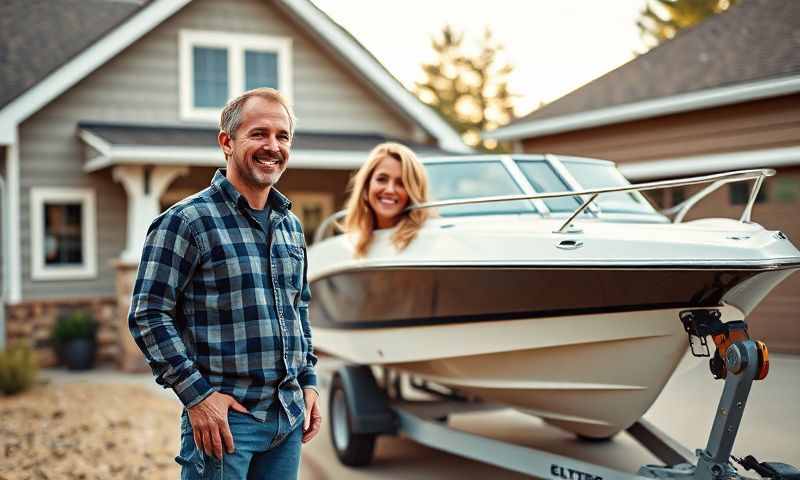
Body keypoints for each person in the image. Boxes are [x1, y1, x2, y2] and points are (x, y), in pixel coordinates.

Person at [128, 87, 320, 480]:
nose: (273, 146)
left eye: (282, 136)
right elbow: (149, 314)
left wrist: (309, 383)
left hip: (287, 419)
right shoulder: (185, 221)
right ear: (227, 142)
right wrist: (198, 398)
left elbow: (298, 308)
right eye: (259, 134)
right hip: (226, 425)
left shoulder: (290, 225)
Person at [342, 142, 431, 257]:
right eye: (382, 179)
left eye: (401, 183)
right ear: (366, 187)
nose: (390, 190)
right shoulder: (350, 243)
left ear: (413, 191)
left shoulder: (429, 239)